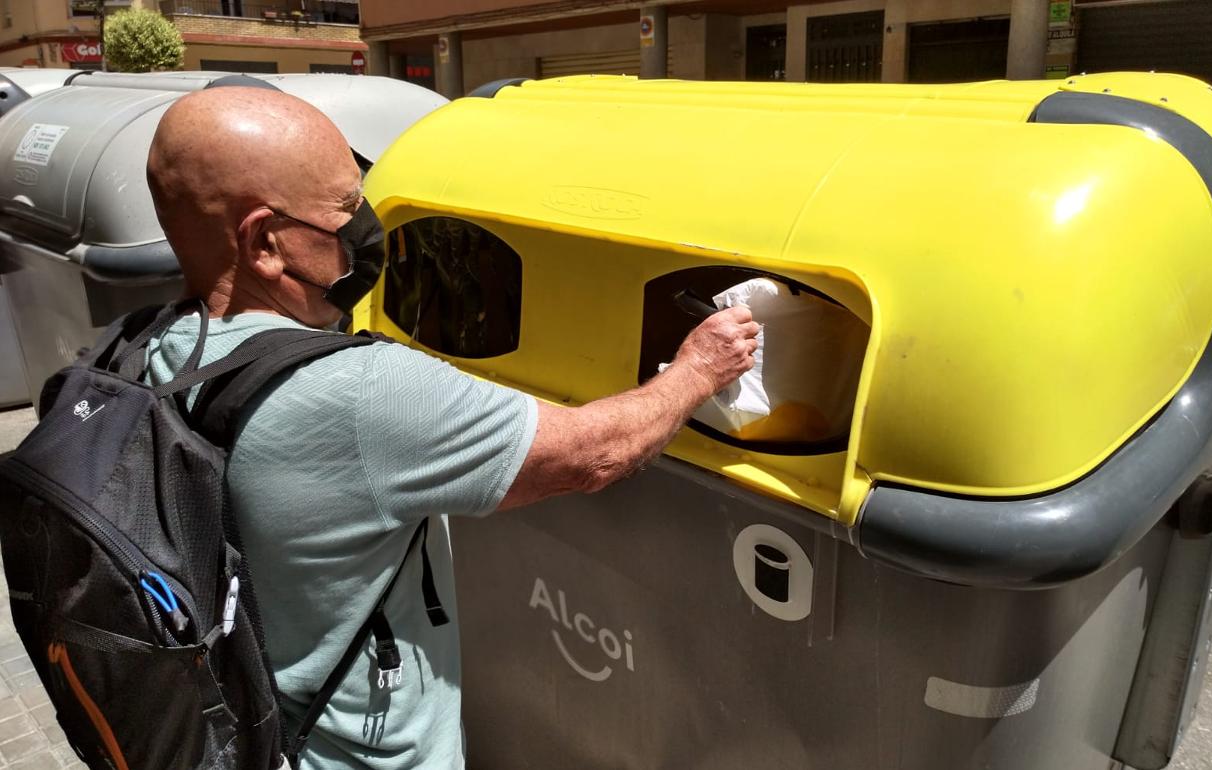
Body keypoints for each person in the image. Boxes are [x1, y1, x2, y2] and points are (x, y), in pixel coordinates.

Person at [143, 86, 758, 769]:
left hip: (245, 725)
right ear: (264, 241)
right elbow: (596, 453)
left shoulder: (152, 348)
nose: (363, 228)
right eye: (345, 211)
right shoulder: (359, 393)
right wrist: (699, 371)